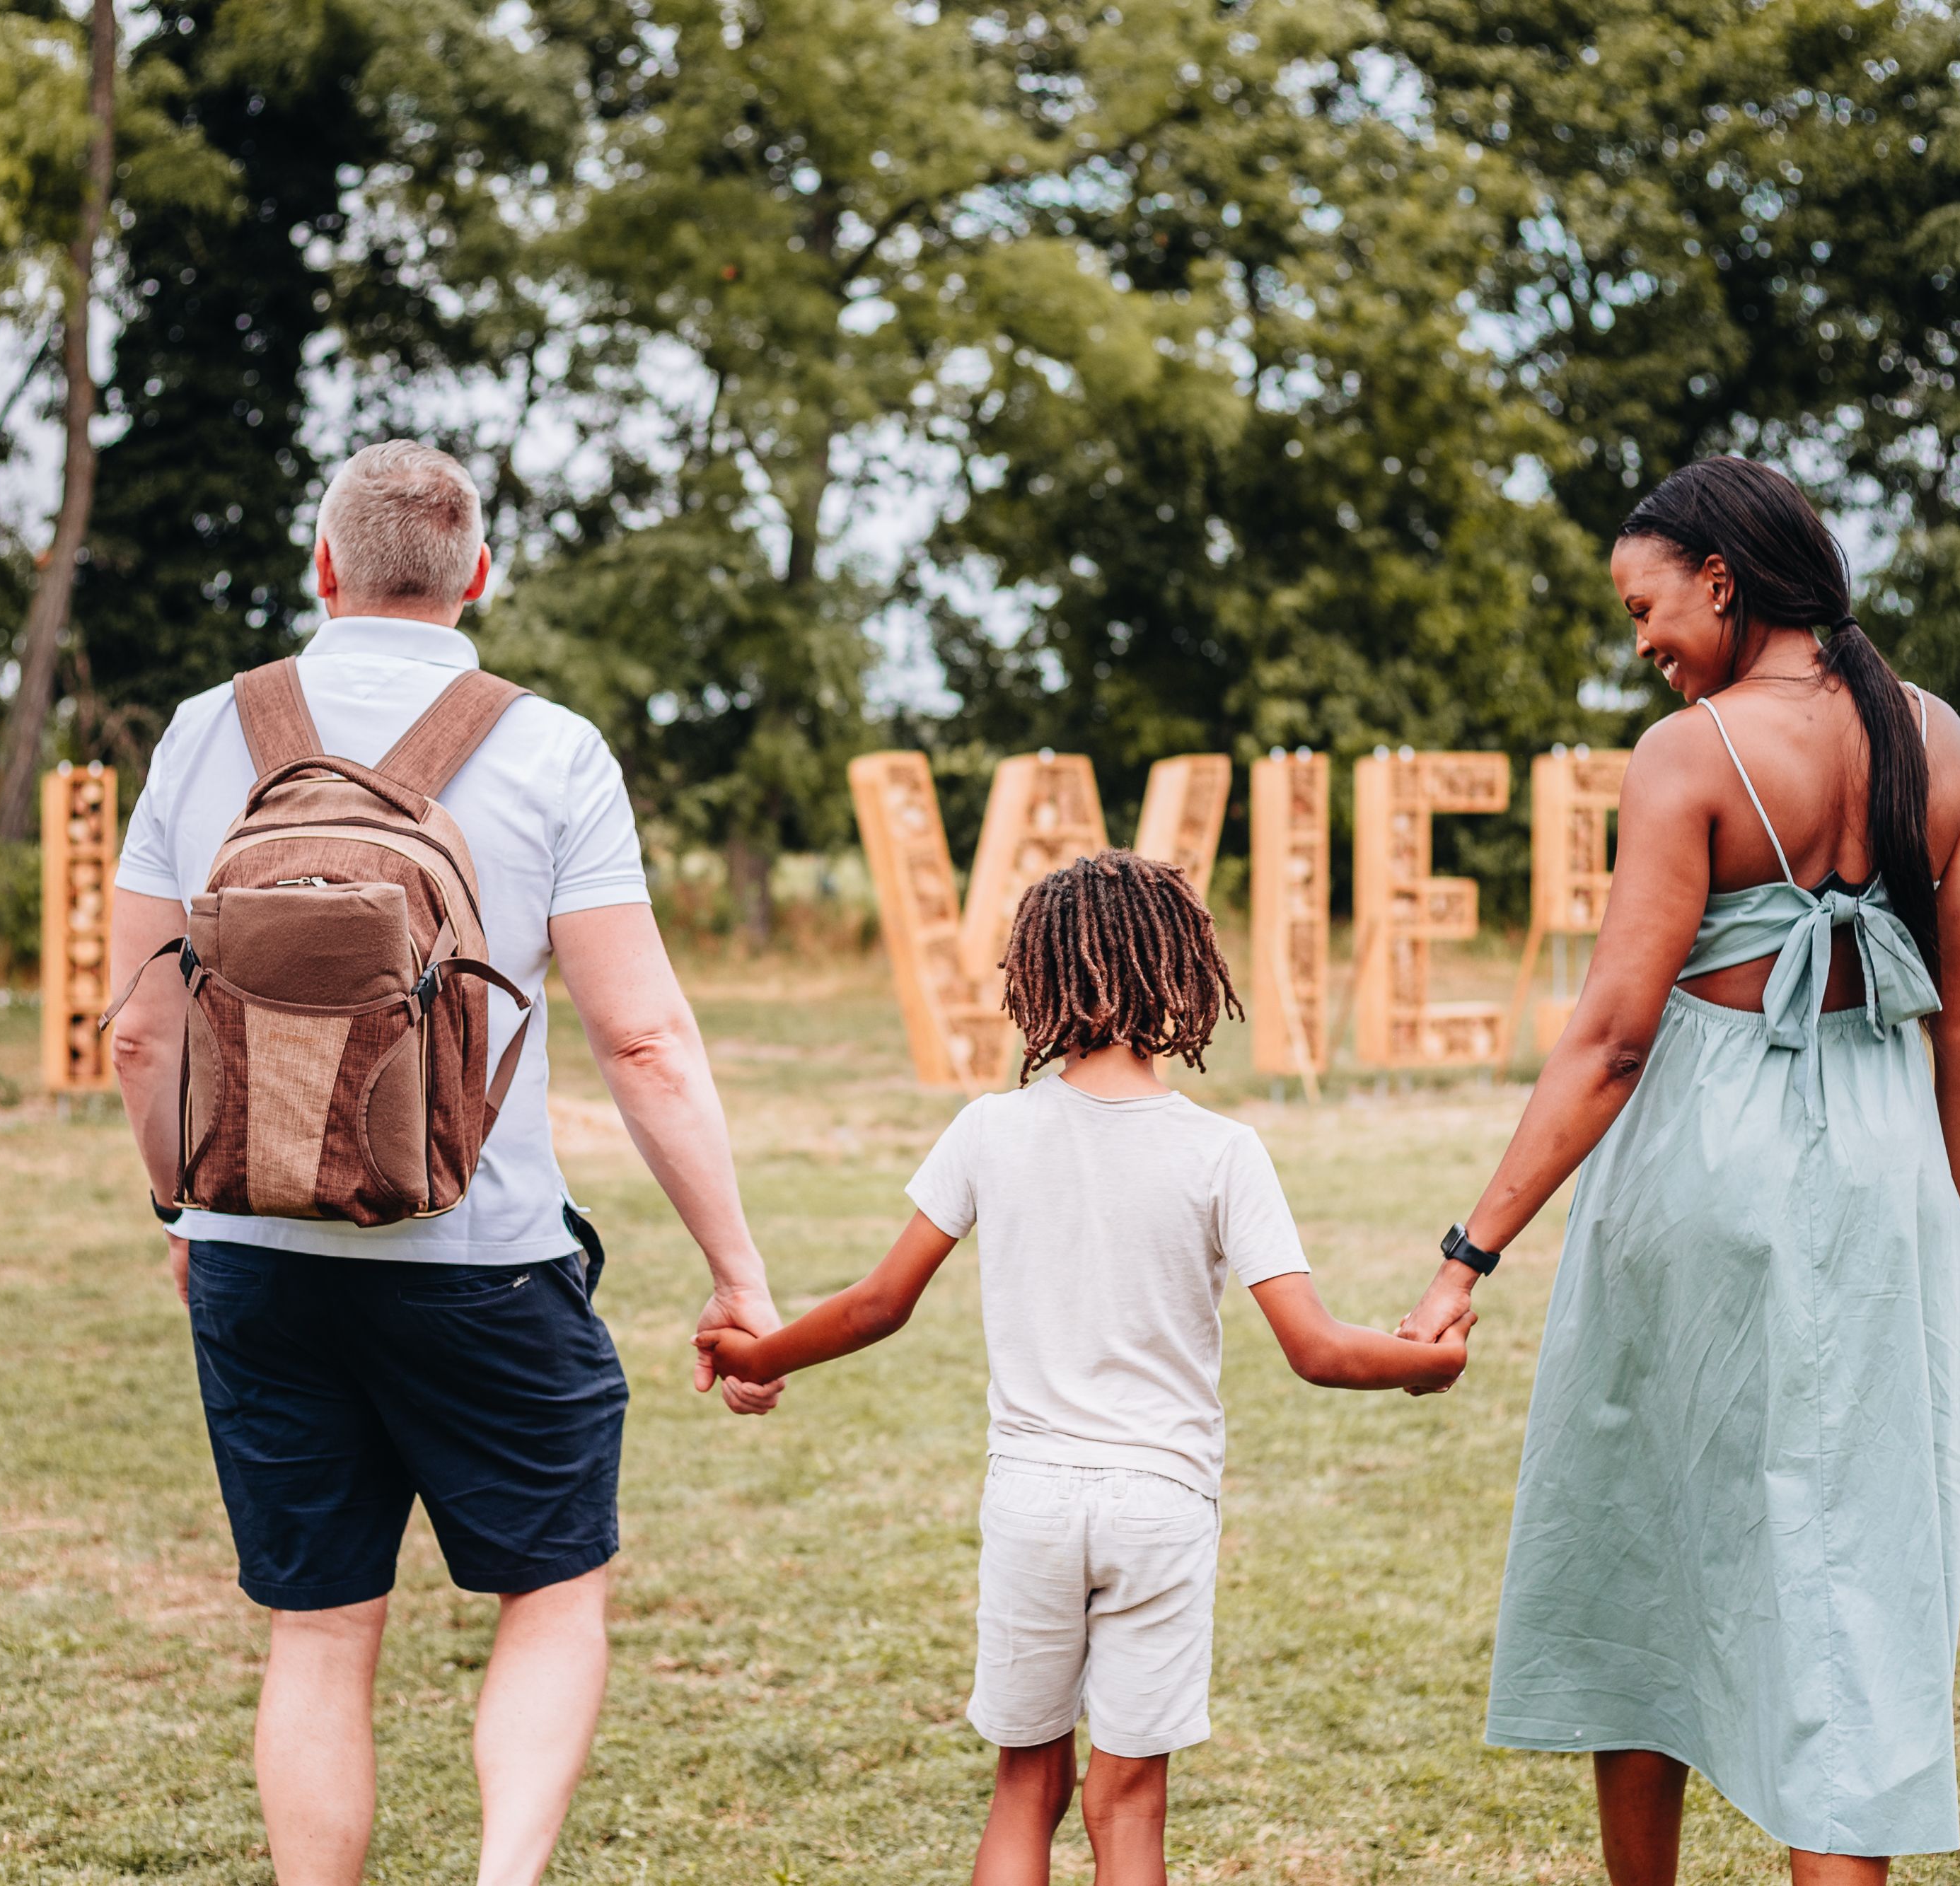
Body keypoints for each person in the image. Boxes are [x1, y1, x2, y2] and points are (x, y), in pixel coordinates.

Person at [105, 440, 787, 1886]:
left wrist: (184, 1201)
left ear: (321, 564)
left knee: (322, 1627)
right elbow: (644, 1039)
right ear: (476, 575)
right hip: (482, 1262)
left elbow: (136, 1025)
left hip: (257, 1260)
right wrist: (738, 1271)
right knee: (550, 1591)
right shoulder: (547, 747)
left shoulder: (202, 733)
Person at [1399, 456, 1960, 1884]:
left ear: (1719, 582)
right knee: (1852, 1571)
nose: (1643, 643)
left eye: (1644, 607)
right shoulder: (1940, 741)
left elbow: (1609, 1041)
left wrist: (1464, 1252)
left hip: (1702, 1167)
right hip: (1884, 1181)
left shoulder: (1689, 756)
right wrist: (1951, 1269)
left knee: (1646, 1534)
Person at [700, 851, 1470, 1886]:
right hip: (1161, 1503)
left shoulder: (990, 1130)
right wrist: (1421, 1367)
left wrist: (759, 1351)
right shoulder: (1221, 1152)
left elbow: (879, 1305)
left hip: (1031, 1503)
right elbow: (1318, 1349)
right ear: (1185, 974)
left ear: (1038, 978)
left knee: (1028, 1783)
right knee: (1128, 1801)